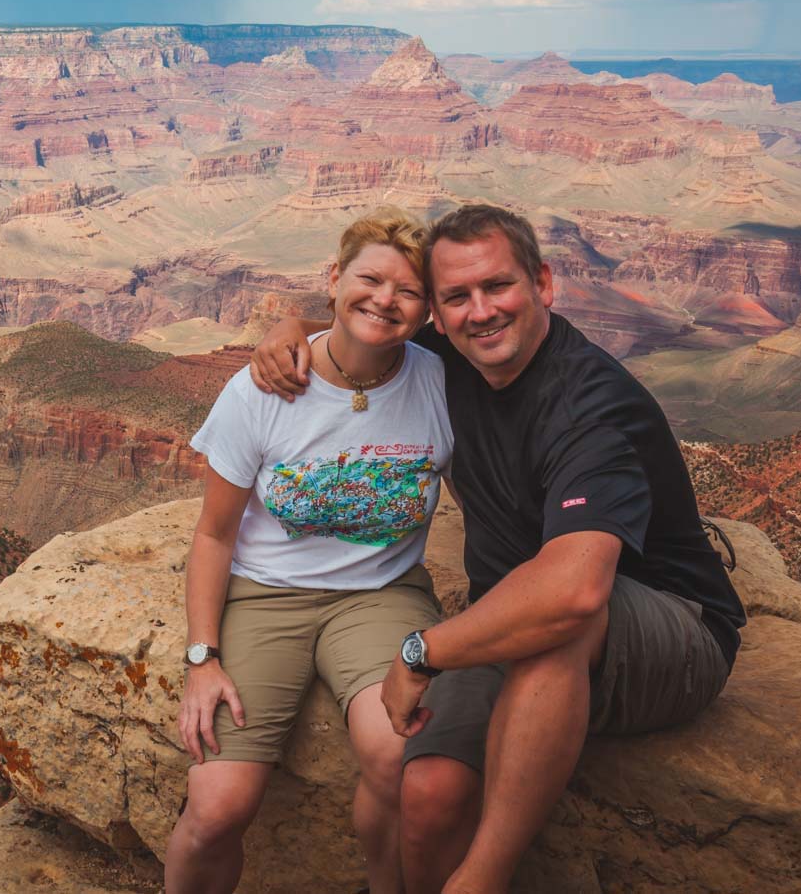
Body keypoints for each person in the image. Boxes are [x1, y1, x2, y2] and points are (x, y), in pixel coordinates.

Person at [251, 204, 746, 894]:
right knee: (426, 792)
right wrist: (285, 329)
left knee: (560, 620)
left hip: (674, 624)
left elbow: (571, 592)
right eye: (456, 296)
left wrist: (422, 650)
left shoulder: (589, 405)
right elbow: (365, 319)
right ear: (438, 314)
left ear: (542, 282)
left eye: (497, 287)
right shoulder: (448, 360)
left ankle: (482, 878)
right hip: (509, 616)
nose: (480, 311)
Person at [166, 207, 456, 894]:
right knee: (216, 807)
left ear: (427, 310)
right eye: (369, 278)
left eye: (407, 290)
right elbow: (213, 535)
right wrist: (202, 657)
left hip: (382, 593)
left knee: (400, 758)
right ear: (333, 278)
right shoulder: (264, 387)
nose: (385, 298)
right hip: (265, 594)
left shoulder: (444, 380)